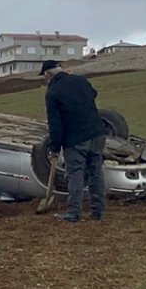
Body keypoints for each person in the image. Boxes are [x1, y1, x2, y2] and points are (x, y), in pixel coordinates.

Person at [41, 60, 107, 222]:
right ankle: (97, 211)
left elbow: (55, 125)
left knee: (75, 173)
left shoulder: (53, 93)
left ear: (48, 75)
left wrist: (54, 147)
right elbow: (93, 94)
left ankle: (73, 213)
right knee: (96, 172)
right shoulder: (81, 80)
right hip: (97, 133)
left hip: (76, 139)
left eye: (44, 77)